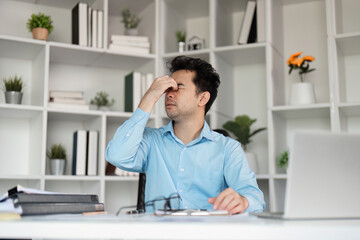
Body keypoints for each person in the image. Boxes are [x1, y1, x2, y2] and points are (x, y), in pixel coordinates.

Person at [106, 56, 265, 214]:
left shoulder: (228, 148)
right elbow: (116, 156)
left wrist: (243, 201)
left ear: (202, 98)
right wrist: (149, 97)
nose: (168, 94)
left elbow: (255, 199)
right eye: (167, 89)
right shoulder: (151, 140)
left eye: (178, 87)